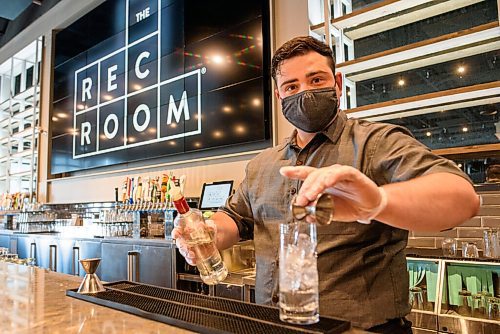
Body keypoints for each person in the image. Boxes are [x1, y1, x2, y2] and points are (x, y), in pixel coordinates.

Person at [172, 36, 480, 333]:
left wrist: (376, 202)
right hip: (272, 324)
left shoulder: (377, 143)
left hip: (363, 328)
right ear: (279, 97)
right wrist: (209, 232)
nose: (304, 92)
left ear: (338, 83)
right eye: (291, 86)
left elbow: (462, 198)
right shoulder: (261, 165)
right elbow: (236, 219)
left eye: (316, 80)